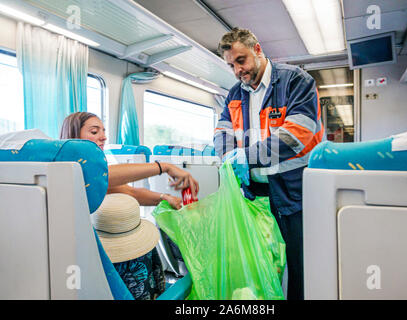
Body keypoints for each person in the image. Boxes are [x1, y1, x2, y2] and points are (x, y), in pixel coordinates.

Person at [214, 28, 325, 300]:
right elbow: (222, 132)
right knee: (263, 262)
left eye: (241, 60)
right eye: (231, 65)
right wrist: (229, 156)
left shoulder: (295, 81)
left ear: (258, 50)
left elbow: (295, 136)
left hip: (294, 192)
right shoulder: (235, 93)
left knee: (299, 264)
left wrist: (246, 157)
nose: (238, 70)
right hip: (254, 195)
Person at [60, 112, 199, 210]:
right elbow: (103, 175)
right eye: (95, 132)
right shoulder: (66, 168)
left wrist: (164, 197)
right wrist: (165, 167)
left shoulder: (95, 168)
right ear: (74, 136)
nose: (103, 137)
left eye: (103, 131)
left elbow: (130, 192)